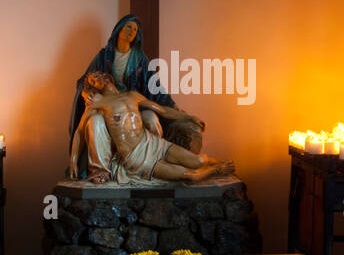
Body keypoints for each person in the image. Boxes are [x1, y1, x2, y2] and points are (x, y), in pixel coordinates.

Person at [66, 14, 204, 179]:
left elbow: (155, 86)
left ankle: (155, 164)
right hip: (109, 108)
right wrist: (85, 92)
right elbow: (85, 81)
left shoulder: (139, 59)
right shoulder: (104, 56)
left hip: (134, 105)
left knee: (152, 118)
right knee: (94, 122)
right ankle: (100, 171)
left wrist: (181, 113)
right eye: (128, 27)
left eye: (135, 29)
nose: (132, 31)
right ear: (119, 29)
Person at [69, 72, 232, 184]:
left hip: (153, 143)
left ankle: (219, 163)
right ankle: (215, 170)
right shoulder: (98, 103)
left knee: (197, 161)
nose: (97, 77)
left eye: (98, 75)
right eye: (93, 80)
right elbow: (80, 131)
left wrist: (189, 117)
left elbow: (163, 110)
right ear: (92, 88)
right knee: (187, 176)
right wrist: (74, 161)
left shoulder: (132, 95)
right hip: (137, 157)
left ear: (108, 77)